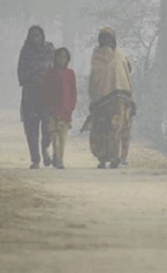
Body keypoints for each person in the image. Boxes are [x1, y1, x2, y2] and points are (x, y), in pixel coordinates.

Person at [82, 27, 135, 169]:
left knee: (116, 128)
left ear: (113, 39)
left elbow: (126, 71)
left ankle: (115, 157)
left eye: (108, 38)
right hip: (102, 99)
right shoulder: (97, 55)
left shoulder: (120, 54)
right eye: (103, 38)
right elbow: (95, 77)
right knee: (101, 128)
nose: (106, 41)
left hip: (120, 98)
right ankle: (102, 158)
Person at [17, 25, 55, 169]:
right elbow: (20, 73)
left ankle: (45, 148)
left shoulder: (50, 50)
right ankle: (35, 159)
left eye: (38, 35)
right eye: (33, 36)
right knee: (31, 129)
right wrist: (32, 77)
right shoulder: (25, 52)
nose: (35, 39)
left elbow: (57, 68)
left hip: (47, 95)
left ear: (42, 36)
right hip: (30, 96)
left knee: (48, 127)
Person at [43, 47, 77, 169]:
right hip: (53, 111)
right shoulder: (49, 74)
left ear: (67, 59)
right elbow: (46, 92)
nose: (61, 60)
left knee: (63, 137)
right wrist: (50, 108)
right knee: (54, 136)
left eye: (64, 57)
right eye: (59, 57)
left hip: (65, 111)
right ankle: (55, 155)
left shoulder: (70, 74)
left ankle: (59, 160)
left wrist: (71, 107)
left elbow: (73, 92)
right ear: (55, 58)